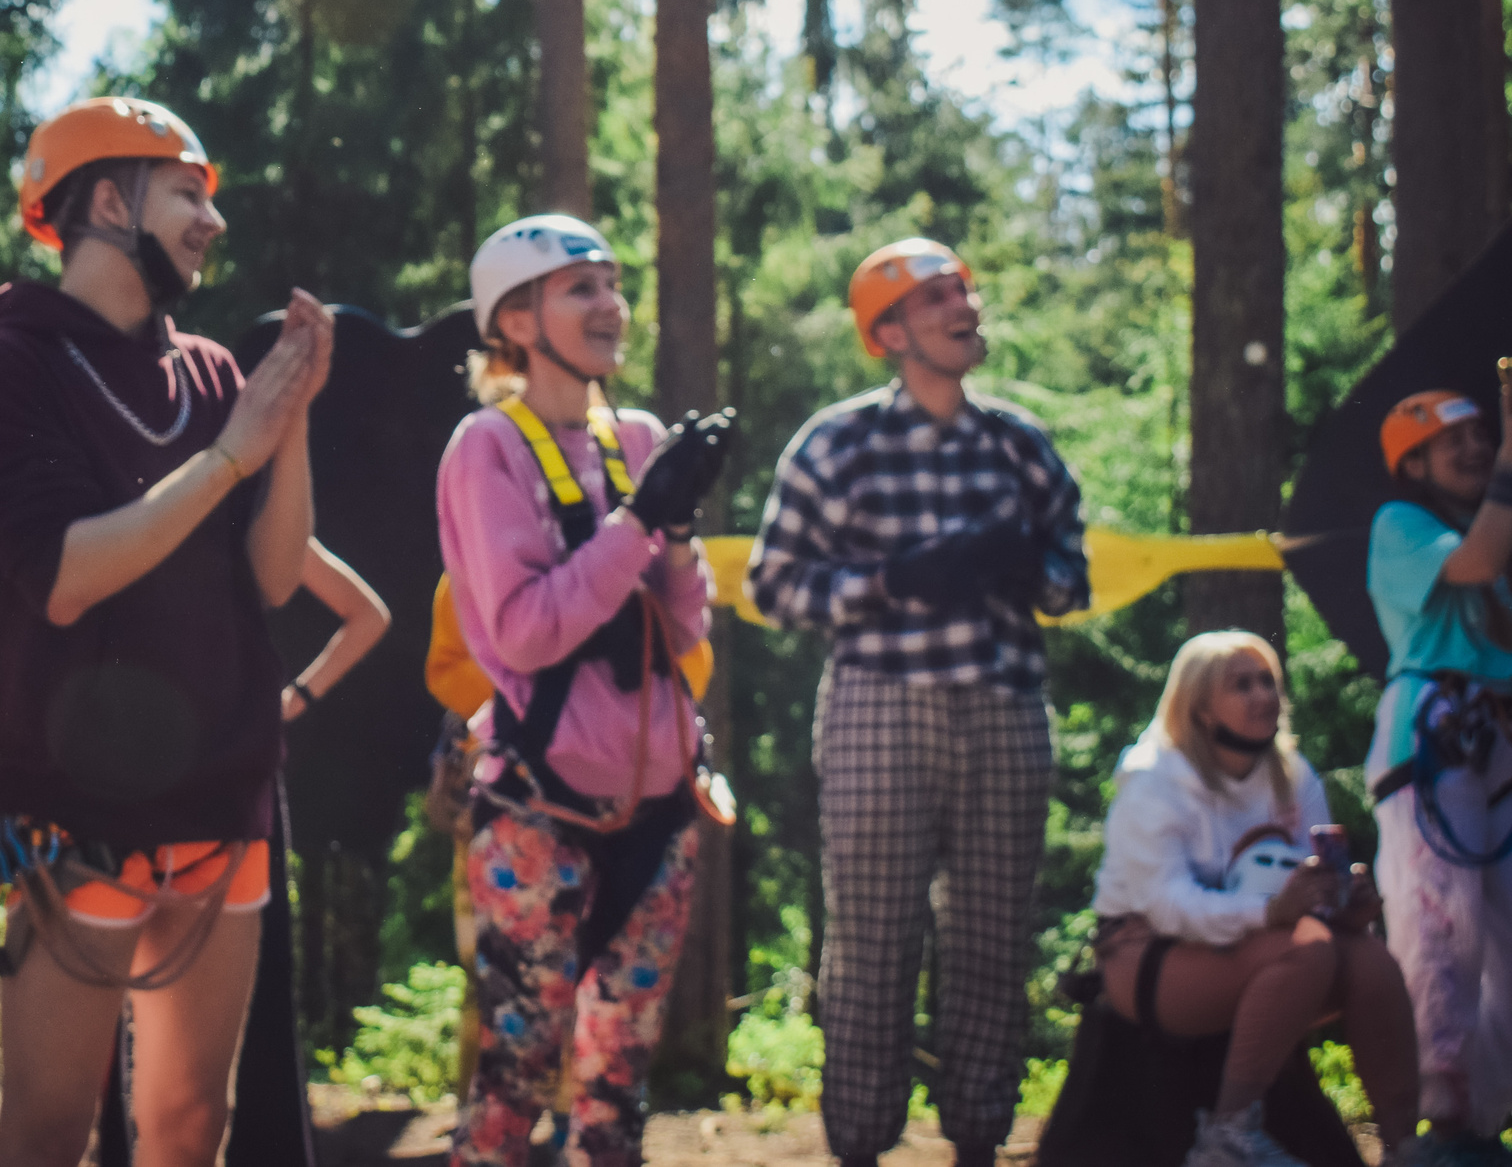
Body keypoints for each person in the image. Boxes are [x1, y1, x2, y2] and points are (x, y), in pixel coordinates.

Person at [0, 95, 332, 1167]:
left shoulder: (210, 375)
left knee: (194, 1122)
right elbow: (64, 576)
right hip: (76, 813)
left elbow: (274, 577)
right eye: (189, 193)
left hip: (220, 800)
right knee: (51, 1130)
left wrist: (282, 432)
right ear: (108, 200)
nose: (214, 219)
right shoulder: (4, 370)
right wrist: (236, 454)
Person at [747, 238, 1089, 1167]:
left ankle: (978, 1137)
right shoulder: (836, 442)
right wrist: (892, 581)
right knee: (871, 937)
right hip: (875, 708)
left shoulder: (1019, 441)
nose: (963, 306)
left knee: (992, 933)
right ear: (889, 331)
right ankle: (859, 1144)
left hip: (1005, 705)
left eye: (964, 290)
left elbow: (1073, 579)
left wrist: (1033, 570)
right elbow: (773, 587)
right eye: (938, 296)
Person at [434, 214, 733, 1167]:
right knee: (515, 1070)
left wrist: (674, 533)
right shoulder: (487, 448)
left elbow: (684, 627)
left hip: (659, 807)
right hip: (537, 803)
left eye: (613, 284)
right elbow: (526, 629)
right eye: (581, 288)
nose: (611, 304)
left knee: (616, 1084)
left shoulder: (637, 437)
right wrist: (639, 518)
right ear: (516, 321)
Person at [1091, 631, 1418, 1167]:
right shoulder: (1154, 780)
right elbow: (1166, 904)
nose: (1263, 695)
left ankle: (1405, 1145)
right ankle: (1227, 1138)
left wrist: (1343, 903)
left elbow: (1307, 892)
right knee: (1306, 949)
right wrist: (1269, 913)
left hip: (1260, 943)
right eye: (1241, 685)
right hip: (1147, 954)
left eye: (1267, 681)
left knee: (1369, 958)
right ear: (1198, 709)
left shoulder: (1291, 774)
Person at [1366, 380, 1512, 1151]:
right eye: (1451, 441)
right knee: (1438, 918)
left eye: (1482, 436)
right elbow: (1477, 560)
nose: (1476, 448)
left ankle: (1488, 1111)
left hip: (1500, 732)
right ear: (1412, 464)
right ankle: (1440, 1104)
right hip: (1432, 730)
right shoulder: (1401, 524)